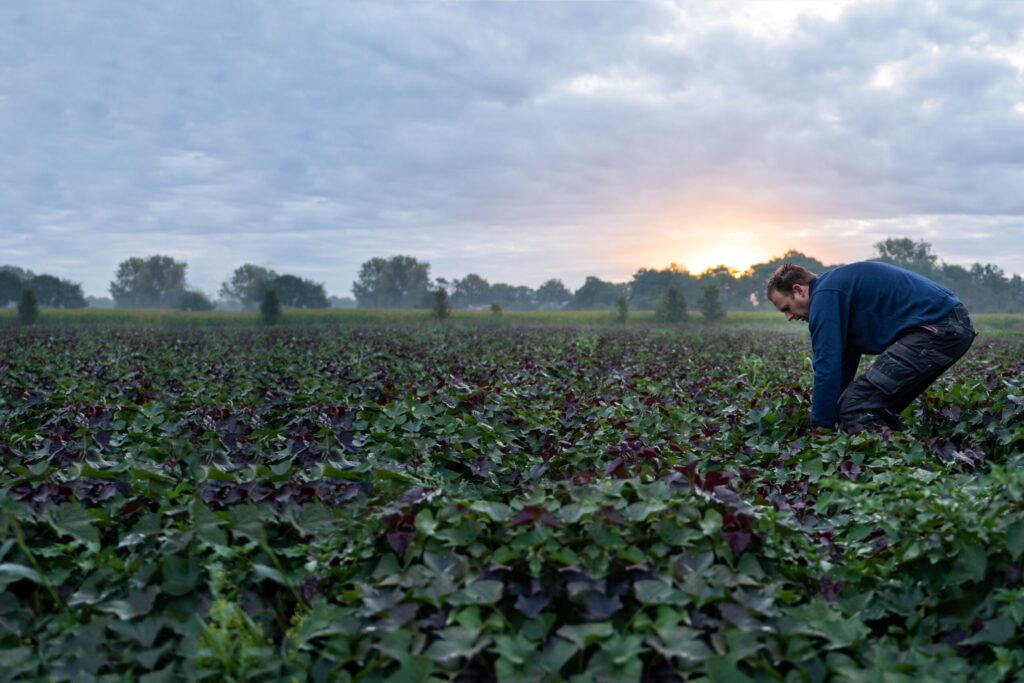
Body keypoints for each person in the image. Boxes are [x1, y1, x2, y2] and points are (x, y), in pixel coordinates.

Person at [766, 261, 976, 431]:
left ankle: (893, 470)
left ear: (799, 290)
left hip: (936, 328)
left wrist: (820, 428)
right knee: (874, 407)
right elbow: (841, 367)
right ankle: (904, 459)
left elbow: (827, 367)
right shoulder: (835, 292)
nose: (789, 317)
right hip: (953, 327)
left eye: (787, 307)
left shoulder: (824, 296)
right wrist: (831, 413)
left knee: (856, 406)